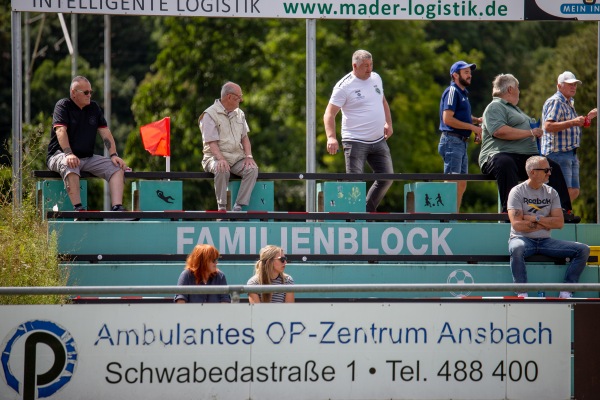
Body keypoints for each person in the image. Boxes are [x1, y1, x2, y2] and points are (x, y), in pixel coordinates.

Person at [478, 73, 580, 223]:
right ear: (511, 89)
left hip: (524, 157)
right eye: (518, 88)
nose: (519, 91)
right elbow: (499, 131)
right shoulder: (495, 106)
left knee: (551, 167)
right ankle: (511, 211)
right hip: (499, 155)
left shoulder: (516, 109)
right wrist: (530, 132)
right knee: (505, 162)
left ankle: (563, 211)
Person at [507, 156, 590, 298]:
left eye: (549, 169)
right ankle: (521, 292)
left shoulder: (552, 192)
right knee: (517, 248)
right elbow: (517, 225)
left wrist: (534, 218)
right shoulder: (517, 191)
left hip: (546, 241)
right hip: (522, 239)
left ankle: (566, 291)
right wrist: (545, 223)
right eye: (546, 170)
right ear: (532, 172)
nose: (549, 173)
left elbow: (559, 223)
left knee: (583, 249)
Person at [323, 49, 394, 212]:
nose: (369, 69)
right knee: (355, 183)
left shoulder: (376, 78)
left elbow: (382, 100)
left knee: (387, 177)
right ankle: (353, 218)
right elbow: (329, 113)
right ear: (355, 66)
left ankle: (366, 211)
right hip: (355, 140)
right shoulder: (344, 86)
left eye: (371, 64)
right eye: (365, 66)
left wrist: (388, 123)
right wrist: (331, 137)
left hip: (378, 139)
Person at [47, 76, 127, 212]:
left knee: (116, 168)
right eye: (85, 92)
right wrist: (68, 153)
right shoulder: (63, 105)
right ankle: (79, 210)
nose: (89, 95)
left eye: (91, 92)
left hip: (86, 157)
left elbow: (106, 133)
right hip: (60, 155)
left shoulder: (94, 108)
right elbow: (61, 131)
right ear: (73, 92)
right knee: (70, 163)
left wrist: (114, 155)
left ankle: (117, 209)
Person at [199, 82, 258, 212]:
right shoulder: (209, 114)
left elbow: (245, 138)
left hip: (236, 157)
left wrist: (249, 156)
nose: (241, 100)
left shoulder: (240, 113)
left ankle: (238, 206)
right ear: (229, 97)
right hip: (214, 157)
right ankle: (222, 207)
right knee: (222, 168)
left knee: (252, 169)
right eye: (239, 96)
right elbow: (211, 142)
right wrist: (220, 159)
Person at [541, 71, 597, 202]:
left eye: (575, 84)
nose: (574, 87)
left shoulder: (568, 102)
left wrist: (588, 118)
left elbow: (571, 125)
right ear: (559, 86)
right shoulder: (556, 102)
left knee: (573, 191)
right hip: (557, 153)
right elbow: (548, 126)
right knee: (563, 190)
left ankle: (560, 214)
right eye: (570, 84)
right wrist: (574, 122)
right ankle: (556, 216)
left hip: (569, 152)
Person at [438, 61, 483, 210]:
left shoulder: (462, 93)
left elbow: (461, 116)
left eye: (470, 72)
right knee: (452, 181)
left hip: (461, 142)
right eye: (466, 72)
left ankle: (453, 219)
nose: (470, 75)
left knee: (462, 183)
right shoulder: (452, 91)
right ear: (455, 75)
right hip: (452, 140)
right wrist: (472, 127)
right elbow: (448, 118)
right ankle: (446, 219)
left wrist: (476, 120)